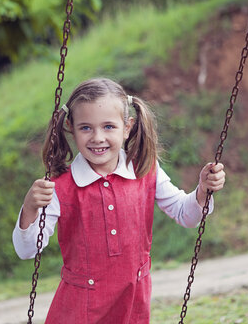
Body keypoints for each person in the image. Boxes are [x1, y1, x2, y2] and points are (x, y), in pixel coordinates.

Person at [13, 78, 226, 323]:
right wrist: (30, 208)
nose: (97, 137)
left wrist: (202, 191)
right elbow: (28, 250)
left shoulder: (145, 170)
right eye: (86, 128)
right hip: (79, 311)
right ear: (71, 128)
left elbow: (185, 214)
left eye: (108, 127)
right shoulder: (60, 187)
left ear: (127, 127)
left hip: (132, 305)